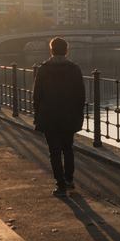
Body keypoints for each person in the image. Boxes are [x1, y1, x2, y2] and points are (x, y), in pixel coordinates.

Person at [32, 36, 86, 196]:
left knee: (54, 152)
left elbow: (37, 96)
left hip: (49, 115)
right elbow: (81, 95)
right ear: (66, 51)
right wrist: (78, 113)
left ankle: (60, 185)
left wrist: (38, 113)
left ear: (51, 50)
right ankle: (69, 180)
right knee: (68, 148)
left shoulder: (43, 69)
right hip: (69, 115)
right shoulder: (74, 69)